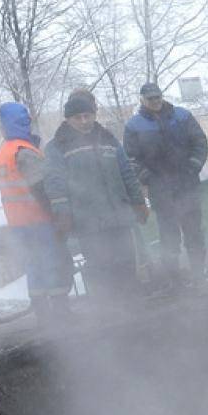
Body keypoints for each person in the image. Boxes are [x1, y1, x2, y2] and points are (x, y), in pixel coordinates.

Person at [44, 89, 149, 301]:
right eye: (78, 117)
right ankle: (108, 310)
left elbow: (126, 172)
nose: (84, 121)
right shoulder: (58, 146)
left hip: (118, 216)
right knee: (101, 266)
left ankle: (133, 306)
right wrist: (62, 214)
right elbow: (55, 184)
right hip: (88, 221)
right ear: (68, 119)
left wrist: (138, 202)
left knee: (126, 262)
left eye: (87, 116)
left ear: (94, 114)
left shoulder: (108, 139)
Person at [0, 102, 75, 322]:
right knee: (52, 263)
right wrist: (58, 214)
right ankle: (61, 313)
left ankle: (43, 315)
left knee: (34, 266)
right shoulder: (23, 151)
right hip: (39, 220)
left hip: (18, 224)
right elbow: (40, 187)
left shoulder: (4, 152)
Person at [122, 82, 208, 288]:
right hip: (160, 190)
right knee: (169, 235)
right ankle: (175, 280)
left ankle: (199, 275)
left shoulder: (182, 116)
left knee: (194, 231)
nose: (155, 101)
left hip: (187, 184)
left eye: (157, 97)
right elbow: (131, 159)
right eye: (150, 98)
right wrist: (148, 179)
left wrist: (193, 167)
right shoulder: (134, 126)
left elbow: (200, 143)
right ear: (142, 100)